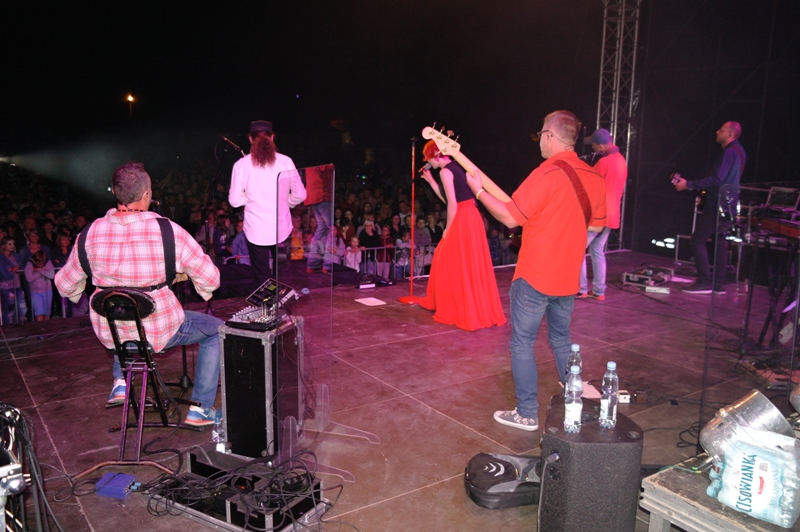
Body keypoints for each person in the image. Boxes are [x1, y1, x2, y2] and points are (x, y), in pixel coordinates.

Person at [465, 110, 606, 431]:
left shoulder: (546, 173)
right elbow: (596, 227)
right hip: (567, 278)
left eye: (541, 133)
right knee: (562, 341)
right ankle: (574, 401)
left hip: (535, 276)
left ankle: (527, 413)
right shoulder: (596, 178)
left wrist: (478, 191)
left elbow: (509, 218)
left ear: (550, 136)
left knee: (522, 344)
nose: (539, 139)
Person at [55, 161, 223, 426]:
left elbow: (64, 285)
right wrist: (183, 276)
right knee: (216, 331)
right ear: (147, 194)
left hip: (112, 333)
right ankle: (201, 409)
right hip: (158, 329)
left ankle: (120, 382)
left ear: (115, 193)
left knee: (121, 312)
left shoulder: (89, 233)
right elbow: (211, 279)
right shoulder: (169, 230)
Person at [412, 140, 506, 331]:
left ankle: (457, 307)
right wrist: (431, 182)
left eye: (429, 158)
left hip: (462, 217)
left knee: (445, 260)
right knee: (462, 261)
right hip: (470, 215)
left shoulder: (445, 172)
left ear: (436, 155)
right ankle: (466, 305)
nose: (428, 161)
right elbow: (450, 200)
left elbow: (452, 205)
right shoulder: (455, 167)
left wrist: (447, 229)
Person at [229, 120, 307, 285]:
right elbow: (300, 194)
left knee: (261, 273)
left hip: (256, 230)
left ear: (250, 139)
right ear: (272, 138)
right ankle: (283, 298)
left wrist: (250, 198)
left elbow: (235, 201)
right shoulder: (286, 161)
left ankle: (266, 300)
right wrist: (287, 202)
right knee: (282, 272)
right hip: (281, 229)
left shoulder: (241, 165)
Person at [673, 121, 745, 294]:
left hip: (717, 205)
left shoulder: (729, 153)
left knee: (697, 240)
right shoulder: (740, 151)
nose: (717, 132)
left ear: (730, 134)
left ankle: (704, 282)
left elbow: (717, 179)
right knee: (720, 243)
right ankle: (718, 285)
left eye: (721, 130)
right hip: (729, 204)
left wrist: (688, 184)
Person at [577, 128, 628, 301]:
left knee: (577, 249)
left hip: (599, 215)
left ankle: (581, 289)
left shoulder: (604, 163)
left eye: (593, 144)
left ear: (600, 146)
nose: (591, 147)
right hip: (612, 215)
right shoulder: (621, 160)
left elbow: (589, 185)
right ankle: (599, 291)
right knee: (597, 251)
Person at [304, 164, 334, 273]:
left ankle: (312, 263)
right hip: (322, 195)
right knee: (331, 229)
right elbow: (328, 168)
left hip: (315, 196)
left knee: (321, 229)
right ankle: (327, 265)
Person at [0, 236, 27, 324]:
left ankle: (21, 327)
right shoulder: (1, 258)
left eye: (13, 244)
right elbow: (5, 275)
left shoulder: (15, 256)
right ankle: (9, 329)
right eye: (9, 244)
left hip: (17, 285)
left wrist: (12, 269)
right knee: (9, 310)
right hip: (6, 288)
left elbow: (22, 269)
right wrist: (15, 268)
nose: (12, 246)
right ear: (3, 246)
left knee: (22, 308)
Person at [24, 250, 54, 321]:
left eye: (43, 262)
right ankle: (41, 326)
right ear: (35, 260)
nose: (41, 264)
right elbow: (29, 278)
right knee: (39, 312)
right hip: (35, 292)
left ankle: (47, 326)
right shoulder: (30, 263)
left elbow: (51, 275)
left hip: (47, 290)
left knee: (47, 312)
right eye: (39, 263)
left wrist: (38, 270)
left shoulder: (48, 262)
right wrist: (41, 271)